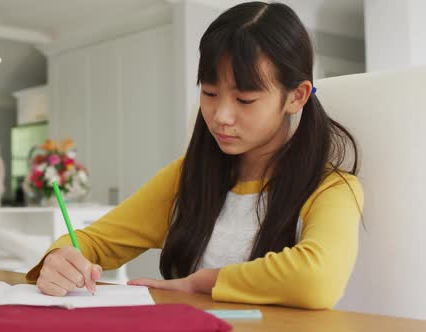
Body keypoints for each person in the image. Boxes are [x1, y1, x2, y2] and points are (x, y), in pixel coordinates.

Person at [26, 1, 363, 309]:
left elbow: (317, 279)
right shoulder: (186, 178)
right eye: (210, 93)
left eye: (244, 99)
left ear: (296, 96)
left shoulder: (332, 188)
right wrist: (60, 258)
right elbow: (92, 241)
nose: (220, 116)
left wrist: (201, 283)